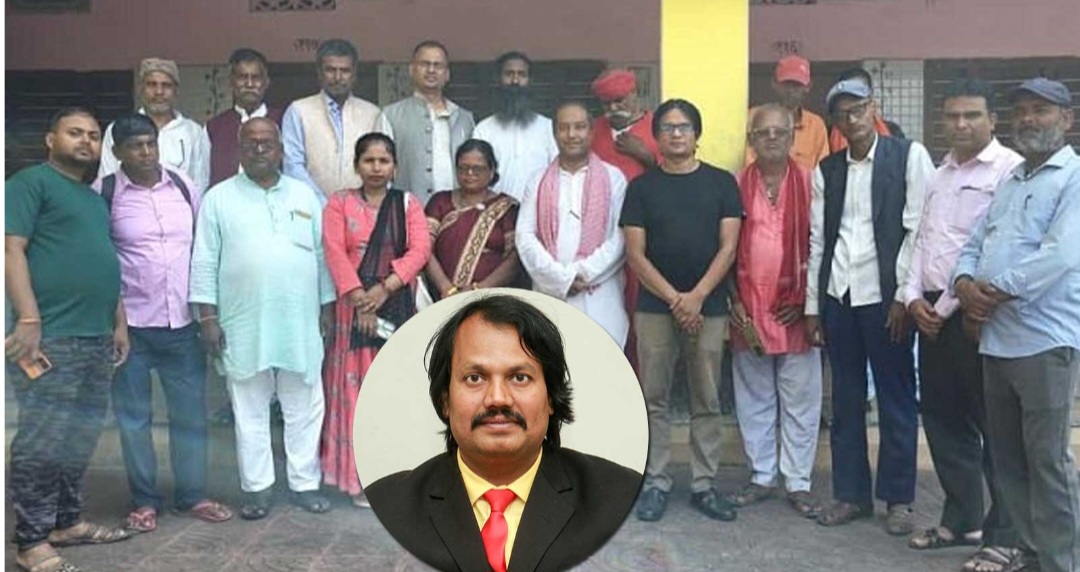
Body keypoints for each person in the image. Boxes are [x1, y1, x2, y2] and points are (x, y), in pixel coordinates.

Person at [366, 294, 642, 572]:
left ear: (551, 397)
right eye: (475, 378)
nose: (498, 399)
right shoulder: (389, 503)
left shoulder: (618, 497)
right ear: (445, 400)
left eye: (519, 377)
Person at [953, 77, 1080, 572]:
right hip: (997, 341)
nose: (1029, 119)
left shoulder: (1073, 178)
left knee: (1047, 460)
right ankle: (1030, 552)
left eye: (1041, 110)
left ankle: (1062, 561)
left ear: (1066, 119)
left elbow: (1061, 256)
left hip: (1044, 341)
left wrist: (990, 293)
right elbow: (973, 243)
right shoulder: (1012, 181)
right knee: (1008, 460)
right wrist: (964, 284)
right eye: (1022, 110)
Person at [902, 79, 1022, 572]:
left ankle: (1006, 534)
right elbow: (923, 240)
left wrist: (947, 307)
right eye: (952, 116)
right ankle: (962, 518)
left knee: (995, 426)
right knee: (942, 417)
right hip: (930, 313)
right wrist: (912, 297)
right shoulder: (940, 172)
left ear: (992, 120)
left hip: (975, 314)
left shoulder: (1009, 171)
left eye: (971, 115)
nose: (961, 124)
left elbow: (992, 245)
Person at [189, 118, 337, 520]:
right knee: (249, 408)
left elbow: (321, 255)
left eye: (267, 143)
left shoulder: (304, 195)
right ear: (239, 149)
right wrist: (207, 317)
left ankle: (305, 484)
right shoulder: (218, 198)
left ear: (280, 150)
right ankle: (257, 489)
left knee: (304, 405)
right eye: (251, 143)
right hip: (242, 320)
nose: (259, 149)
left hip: (299, 319)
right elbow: (204, 259)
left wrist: (327, 307)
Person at [6, 107, 132, 572]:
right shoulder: (29, 184)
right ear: (50, 139)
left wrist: (119, 323)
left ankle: (66, 521)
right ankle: (31, 540)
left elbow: (103, 261)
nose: (85, 141)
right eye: (74, 133)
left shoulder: (93, 199)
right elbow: (10, 249)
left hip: (95, 336)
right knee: (43, 437)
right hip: (50, 337)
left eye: (93, 136)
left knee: (80, 435)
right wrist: (28, 318)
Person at [94, 114, 233, 533]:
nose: (146, 152)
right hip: (131, 327)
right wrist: (114, 324)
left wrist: (207, 314)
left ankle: (192, 495)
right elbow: (100, 260)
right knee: (134, 418)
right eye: (135, 146)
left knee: (189, 415)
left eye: (150, 143)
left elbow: (203, 252)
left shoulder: (184, 186)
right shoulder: (105, 192)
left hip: (182, 326)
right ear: (117, 152)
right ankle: (144, 501)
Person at [806, 79, 934, 534]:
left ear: (873, 108)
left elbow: (919, 229)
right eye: (843, 113)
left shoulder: (908, 156)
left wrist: (904, 294)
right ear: (835, 123)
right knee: (845, 399)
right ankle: (851, 495)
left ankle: (899, 500)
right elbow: (819, 241)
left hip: (887, 299)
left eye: (859, 108)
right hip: (841, 296)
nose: (853, 119)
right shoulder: (827, 170)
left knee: (896, 397)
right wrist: (813, 306)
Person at [620, 99, 743, 523]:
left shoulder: (722, 183)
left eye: (684, 127)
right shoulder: (642, 189)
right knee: (653, 398)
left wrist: (697, 297)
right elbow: (635, 254)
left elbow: (729, 247)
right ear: (656, 136)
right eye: (668, 128)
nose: (676, 134)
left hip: (708, 307)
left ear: (697, 134)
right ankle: (655, 482)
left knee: (706, 398)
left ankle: (704, 485)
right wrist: (676, 299)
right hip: (655, 307)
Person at [321, 132, 432, 506]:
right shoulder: (339, 203)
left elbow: (420, 249)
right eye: (368, 160)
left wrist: (384, 290)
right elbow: (334, 251)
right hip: (351, 312)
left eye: (383, 161)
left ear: (394, 166)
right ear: (357, 165)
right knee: (356, 394)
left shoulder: (407, 205)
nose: (376, 168)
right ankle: (360, 480)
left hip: (395, 306)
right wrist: (360, 300)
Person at [727, 104, 823, 518]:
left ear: (791, 137)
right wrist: (733, 300)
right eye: (762, 133)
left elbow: (823, 244)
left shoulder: (812, 182)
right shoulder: (734, 185)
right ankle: (762, 475)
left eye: (779, 132)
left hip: (798, 310)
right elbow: (723, 248)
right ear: (751, 140)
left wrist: (807, 301)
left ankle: (798, 481)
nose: (770, 138)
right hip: (747, 307)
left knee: (801, 400)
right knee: (754, 398)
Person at [516, 101, 628, 346]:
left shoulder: (613, 178)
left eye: (579, 127)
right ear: (554, 133)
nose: (572, 134)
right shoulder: (538, 180)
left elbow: (620, 238)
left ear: (591, 131)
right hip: (551, 292)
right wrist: (561, 278)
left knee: (600, 364)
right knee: (553, 364)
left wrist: (582, 272)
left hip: (599, 294)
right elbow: (524, 237)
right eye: (564, 128)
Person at [589, 67, 659, 374]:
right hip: (601, 239)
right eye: (607, 104)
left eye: (620, 100)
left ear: (635, 95)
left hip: (646, 238)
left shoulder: (657, 128)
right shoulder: (593, 131)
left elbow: (676, 175)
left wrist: (646, 156)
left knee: (638, 309)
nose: (614, 109)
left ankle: (640, 384)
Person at [377, 40, 475, 204]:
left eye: (438, 65)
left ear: (447, 74)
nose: (431, 70)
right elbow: (381, 170)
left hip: (456, 210)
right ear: (411, 70)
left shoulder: (465, 118)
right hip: (407, 209)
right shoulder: (390, 115)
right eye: (424, 64)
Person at [282, 38, 380, 201]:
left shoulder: (372, 113)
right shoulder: (298, 111)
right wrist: (322, 204)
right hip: (310, 208)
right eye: (330, 70)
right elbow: (293, 166)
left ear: (354, 74)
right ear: (319, 73)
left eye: (345, 71)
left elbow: (380, 166)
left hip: (363, 209)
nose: (338, 77)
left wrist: (361, 205)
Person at [424, 139, 522, 300]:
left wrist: (479, 290)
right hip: (442, 298)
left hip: (490, 300)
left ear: (492, 171)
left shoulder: (507, 208)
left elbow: (515, 259)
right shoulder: (440, 202)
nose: (469, 173)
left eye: (478, 169)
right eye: (463, 168)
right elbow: (424, 249)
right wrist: (446, 288)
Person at [100, 58, 211, 192]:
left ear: (176, 91)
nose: (159, 92)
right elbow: (107, 177)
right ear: (140, 89)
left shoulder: (193, 131)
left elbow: (200, 181)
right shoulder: (120, 128)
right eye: (152, 85)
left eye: (166, 85)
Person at [472, 51, 558, 201]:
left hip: (538, 208)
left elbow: (557, 173)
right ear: (499, 79)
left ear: (530, 81)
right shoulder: (483, 129)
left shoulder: (547, 127)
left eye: (521, 75)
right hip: (495, 209)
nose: (515, 81)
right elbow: (476, 175)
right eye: (509, 74)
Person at [206, 48, 285, 188]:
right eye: (242, 77)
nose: (249, 84)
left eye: (256, 77)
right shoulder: (214, 127)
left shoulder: (283, 121)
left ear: (266, 82)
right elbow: (203, 176)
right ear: (231, 82)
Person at [746, 55, 829, 171]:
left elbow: (822, 170)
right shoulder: (754, 117)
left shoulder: (816, 125)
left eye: (797, 85)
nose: (791, 90)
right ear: (774, 83)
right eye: (786, 84)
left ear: (808, 86)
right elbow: (749, 166)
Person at [827, 67, 906, 154]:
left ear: (872, 103)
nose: (852, 120)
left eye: (858, 108)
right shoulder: (827, 134)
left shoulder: (893, 131)